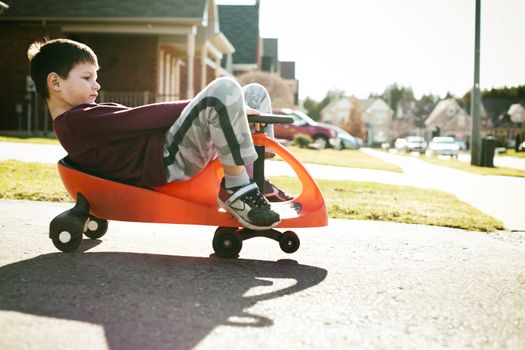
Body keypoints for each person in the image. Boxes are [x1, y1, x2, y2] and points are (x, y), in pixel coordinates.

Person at [27, 38, 286, 231]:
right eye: (87, 77)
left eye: (96, 77)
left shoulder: (84, 116)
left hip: (171, 149)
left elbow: (138, 120)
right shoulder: (75, 122)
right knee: (225, 89)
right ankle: (237, 189)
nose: (97, 84)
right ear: (55, 83)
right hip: (166, 159)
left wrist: (225, 107)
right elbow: (139, 118)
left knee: (254, 93)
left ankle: (255, 173)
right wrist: (202, 103)